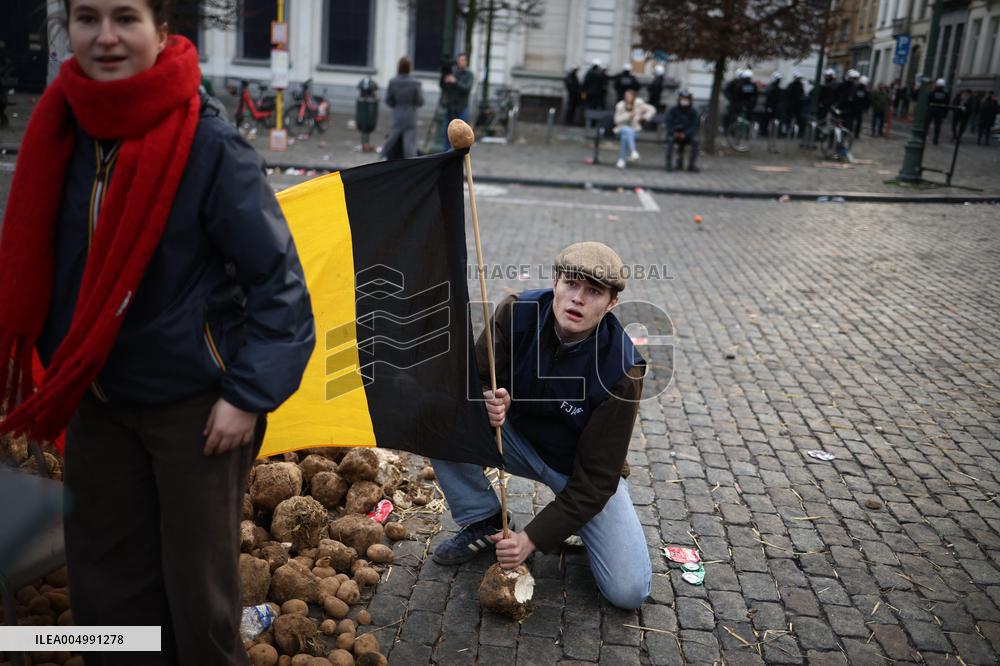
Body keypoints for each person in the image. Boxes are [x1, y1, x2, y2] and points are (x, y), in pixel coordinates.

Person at [0, 1, 316, 664]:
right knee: (106, 589)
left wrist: (246, 395)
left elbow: (279, 286)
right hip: (96, 401)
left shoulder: (209, 144)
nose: (105, 36)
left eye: (125, 17)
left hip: (193, 413)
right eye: (87, 17)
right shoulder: (59, 130)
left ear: (162, 31)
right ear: (68, 28)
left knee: (197, 598)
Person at [429, 242, 652, 611]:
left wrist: (531, 538)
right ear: (555, 282)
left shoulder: (623, 369)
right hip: (513, 440)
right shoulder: (515, 311)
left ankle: (577, 525)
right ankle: (482, 520)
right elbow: (472, 380)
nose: (577, 299)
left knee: (628, 593)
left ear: (611, 303)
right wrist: (485, 399)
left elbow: (597, 480)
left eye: (593, 291)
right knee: (437, 414)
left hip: (574, 471)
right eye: (571, 284)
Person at [382, 56, 423, 160]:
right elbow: (420, 101)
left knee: (392, 138)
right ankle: (410, 161)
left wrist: (395, 105)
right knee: (409, 142)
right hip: (410, 115)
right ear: (409, 68)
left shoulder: (393, 82)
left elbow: (388, 99)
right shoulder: (415, 83)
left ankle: (384, 155)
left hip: (397, 114)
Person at [612, 88, 655, 169]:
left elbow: (652, 109)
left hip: (634, 130)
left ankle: (622, 159)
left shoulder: (639, 104)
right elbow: (616, 120)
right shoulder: (620, 106)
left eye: (629, 96)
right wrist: (628, 116)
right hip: (620, 129)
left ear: (633, 97)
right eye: (626, 96)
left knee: (625, 136)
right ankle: (633, 151)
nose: (627, 97)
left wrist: (644, 117)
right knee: (625, 129)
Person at [441, 52, 473, 149]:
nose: (461, 62)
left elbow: (466, 88)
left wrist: (455, 82)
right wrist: (445, 80)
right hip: (451, 107)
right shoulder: (453, 72)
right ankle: (446, 155)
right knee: (447, 134)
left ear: (466, 62)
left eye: (463, 60)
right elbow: (445, 88)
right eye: (460, 60)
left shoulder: (469, 74)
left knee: (462, 136)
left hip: (462, 107)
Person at [665, 89, 699, 172]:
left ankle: (691, 165)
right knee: (670, 140)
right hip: (674, 134)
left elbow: (694, 126)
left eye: (687, 99)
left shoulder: (693, 111)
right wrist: (674, 132)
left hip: (687, 135)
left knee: (695, 141)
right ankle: (668, 164)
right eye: (683, 98)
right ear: (679, 99)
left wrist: (685, 134)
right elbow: (669, 123)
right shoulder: (673, 110)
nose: (684, 101)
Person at [928, 78, 950, 144]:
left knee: (927, 124)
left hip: (932, 109)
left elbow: (929, 100)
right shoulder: (945, 93)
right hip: (940, 110)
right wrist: (945, 113)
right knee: (937, 126)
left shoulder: (933, 92)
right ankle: (935, 140)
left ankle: (923, 137)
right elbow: (947, 103)